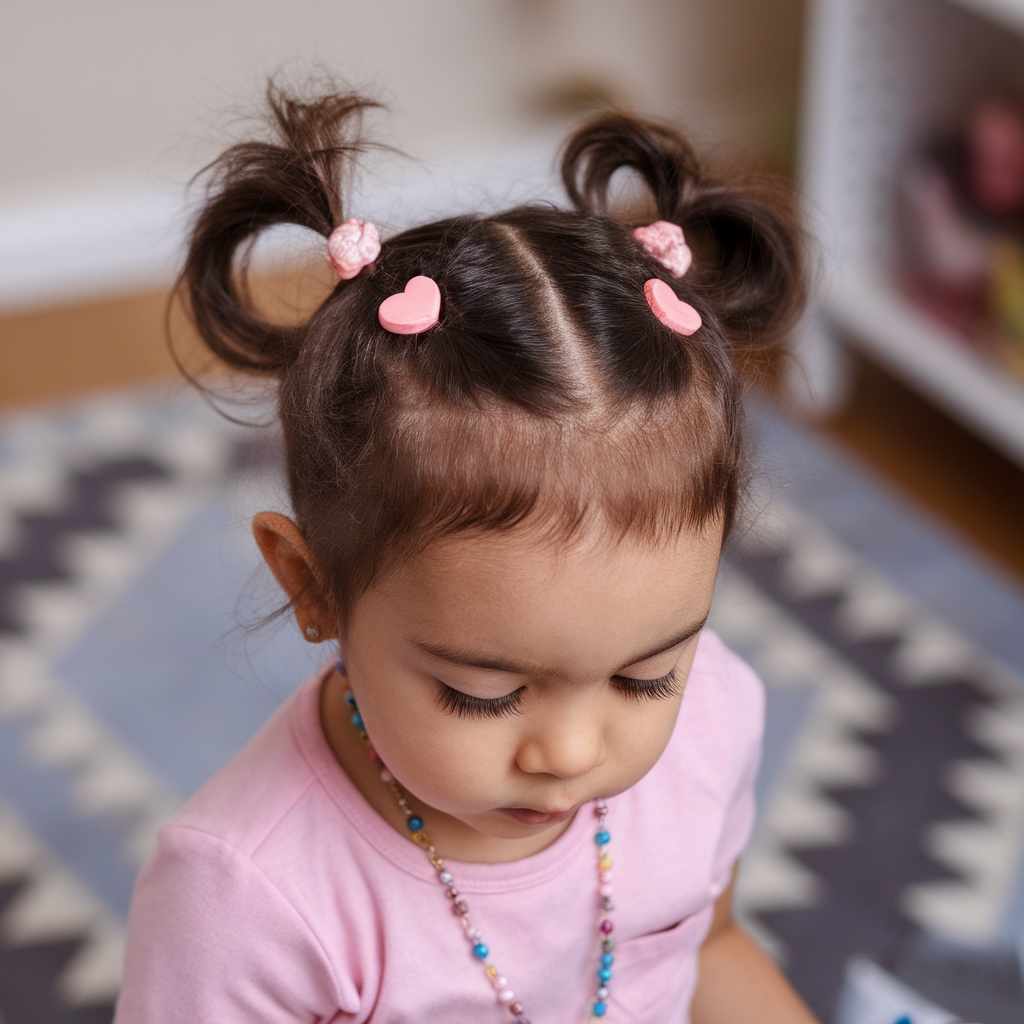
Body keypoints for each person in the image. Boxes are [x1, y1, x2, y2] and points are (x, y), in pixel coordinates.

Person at [114, 85, 817, 1024]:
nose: (570, 753)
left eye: (646, 677)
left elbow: (712, 948)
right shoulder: (245, 900)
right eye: (482, 693)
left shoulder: (716, 715)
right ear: (310, 583)